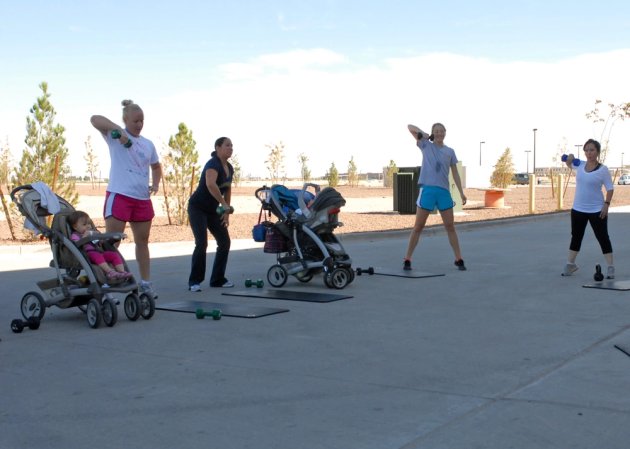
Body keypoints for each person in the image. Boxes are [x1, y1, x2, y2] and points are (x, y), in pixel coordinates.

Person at [90, 100, 162, 296]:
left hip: (141, 199)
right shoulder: (114, 136)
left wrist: (155, 184)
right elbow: (94, 119)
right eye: (135, 121)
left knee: (143, 241)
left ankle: (146, 283)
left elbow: (156, 166)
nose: (139, 125)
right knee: (111, 242)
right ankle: (109, 285)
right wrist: (118, 131)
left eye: (142, 121)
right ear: (125, 120)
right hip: (120, 195)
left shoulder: (148, 144)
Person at [403, 123, 467, 271]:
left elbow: (455, 173)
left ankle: (459, 258)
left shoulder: (450, 151)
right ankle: (407, 258)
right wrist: (427, 135)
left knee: (450, 226)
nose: (439, 134)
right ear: (433, 133)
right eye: (436, 132)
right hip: (427, 190)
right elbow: (410, 127)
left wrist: (461, 192)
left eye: (441, 131)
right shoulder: (426, 145)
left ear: (445, 133)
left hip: (443, 191)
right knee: (418, 226)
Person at [561, 139, 615, 278]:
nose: (589, 153)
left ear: (597, 152)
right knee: (576, 237)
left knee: (602, 237)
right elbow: (568, 163)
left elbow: (610, 188)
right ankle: (570, 264)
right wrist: (571, 157)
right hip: (578, 209)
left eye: (592, 150)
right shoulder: (580, 165)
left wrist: (606, 205)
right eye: (586, 150)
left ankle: (610, 267)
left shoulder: (603, 169)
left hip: (597, 209)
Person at [187, 137, 235, 291]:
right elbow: (210, 184)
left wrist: (226, 212)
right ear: (218, 148)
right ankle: (194, 281)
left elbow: (227, 188)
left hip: (213, 210)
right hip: (198, 208)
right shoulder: (212, 164)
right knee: (201, 243)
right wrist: (223, 203)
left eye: (232, 145)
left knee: (224, 242)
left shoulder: (229, 167)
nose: (231, 148)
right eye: (227, 145)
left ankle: (217, 279)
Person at [68, 210, 132, 282]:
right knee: (96, 255)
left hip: (99, 252)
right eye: (84, 224)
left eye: (89, 224)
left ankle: (122, 272)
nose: (88, 226)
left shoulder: (92, 233)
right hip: (87, 255)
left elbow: (101, 242)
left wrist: (100, 238)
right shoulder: (75, 235)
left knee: (113, 255)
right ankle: (110, 272)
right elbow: (77, 245)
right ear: (75, 227)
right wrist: (85, 237)